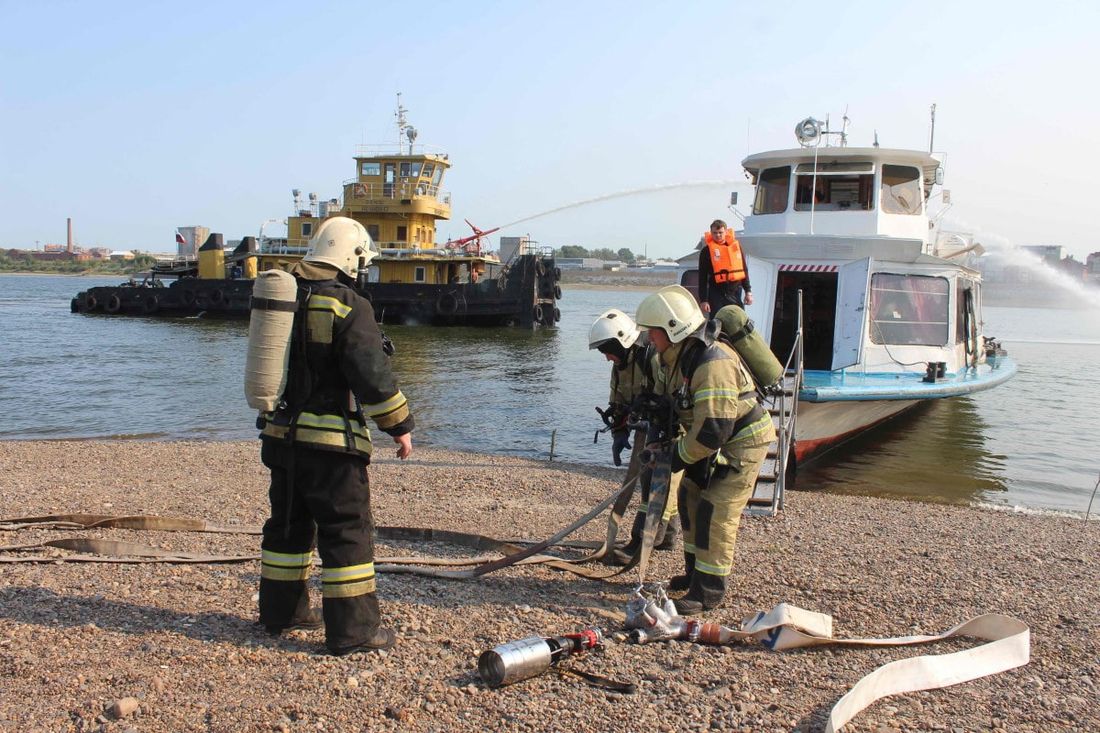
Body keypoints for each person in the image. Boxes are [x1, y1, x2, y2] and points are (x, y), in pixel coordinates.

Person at [256, 216, 414, 656]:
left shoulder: (286, 295)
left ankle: (281, 612)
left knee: (287, 529)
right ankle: (355, 631)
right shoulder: (347, 304)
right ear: (352, 256)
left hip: (280, 439)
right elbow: (371, 373)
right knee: (346, 532)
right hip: (329, 448)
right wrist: (399, 427)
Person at [634, 285, 775, 614]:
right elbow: (678, 407)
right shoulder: (675, 358)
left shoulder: (713, 363)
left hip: (742, 441)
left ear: (673, 330)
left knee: (715, 510)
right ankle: (695, 572)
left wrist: (674, 458)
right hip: (711, 438)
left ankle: (708, 590)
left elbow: (713, 430)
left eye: (653, 334)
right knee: (690, 496)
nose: (650, 340)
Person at [587, 308, 679, 564]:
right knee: (656, 484)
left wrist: (656, 432)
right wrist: (618, 432)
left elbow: (664, 397)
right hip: (645, 427)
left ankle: (643, 541)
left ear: (622, 342)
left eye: (607, 350)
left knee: (655, 483)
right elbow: (617, 401)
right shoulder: (620, 365)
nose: (606, 358)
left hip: (665, 427)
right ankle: (667, 536)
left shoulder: (651, 357)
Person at [697, 219, 752, 313]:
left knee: (738, 321)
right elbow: (702, 277)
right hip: (716, 293)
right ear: (711, 233)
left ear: (726, 232)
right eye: (715, 233)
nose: (718, 235)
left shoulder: (735, 247)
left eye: (720, 232)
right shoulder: (706, 251)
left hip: (735, 292)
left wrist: (748, 291)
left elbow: (744, 270)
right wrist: (703, 300)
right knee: (716, 323)